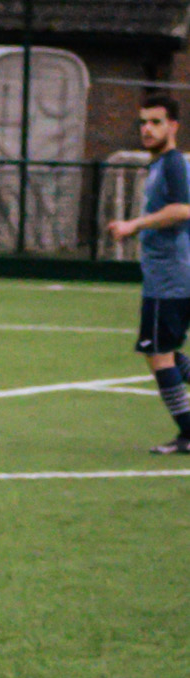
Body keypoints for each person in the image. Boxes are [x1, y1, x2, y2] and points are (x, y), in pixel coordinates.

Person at [105, 93, 190, 455]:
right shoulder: (159, 165)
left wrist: (134, 225)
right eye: (143, 122)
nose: (147, 129)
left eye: (156, 122)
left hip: (171, 275)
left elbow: (183, 210)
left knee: (157, 353)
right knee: (161, 350)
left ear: (173, 126)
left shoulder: (172, 164)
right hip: (169, 272)